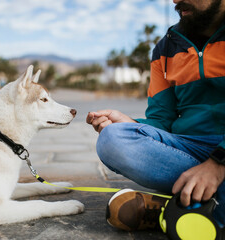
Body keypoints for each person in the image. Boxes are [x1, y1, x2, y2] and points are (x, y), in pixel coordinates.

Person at [87, 0, 225, 231]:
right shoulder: (165, 48)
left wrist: (218, 163)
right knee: (112, 139)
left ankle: (176, 211)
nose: (174, 0)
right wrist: (131, 124)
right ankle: (202, 210)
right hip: (189, 149)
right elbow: (161, 118)